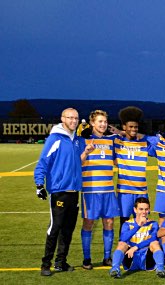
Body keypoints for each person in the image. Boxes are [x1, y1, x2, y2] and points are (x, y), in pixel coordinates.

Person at [35, 108, 89, 276]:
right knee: (55, 227)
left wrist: (86, 151)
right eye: (70, 118)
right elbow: (43, 162)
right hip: (59, 191)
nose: (73, 120)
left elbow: (77, 162)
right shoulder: (55, 139)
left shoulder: (79, 141)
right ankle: (46, 264)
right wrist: (39, 185)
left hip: (75, 191)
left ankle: (61, 262)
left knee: (68, 229)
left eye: (76, 118)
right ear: (62, 118)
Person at [79, 110, 119, 270]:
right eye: (99, 121)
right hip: (90, 190)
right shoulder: (84, 140)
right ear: (92, 123)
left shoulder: (112, 141)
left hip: (108, 189)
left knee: (109, 222)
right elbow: (77, 162)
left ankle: (107, 257)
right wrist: (85, 152)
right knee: (88, 223)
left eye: (104, 121)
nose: (103, 124)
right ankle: (87, 259)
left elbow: (116, 160)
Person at [113, 106, 154, 227]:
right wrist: (120, 134)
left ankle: (141, 246)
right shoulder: (117, 142)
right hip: (124, 191)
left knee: (142, 223)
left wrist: (142, 135)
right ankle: (123, 246)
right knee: (124, 223)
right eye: (130, 127)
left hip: (141, 191)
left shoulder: (144, 143)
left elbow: (157, 141)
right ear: (124, 127)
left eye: (135, 127)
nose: (133, 129)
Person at [109, 197, 165, 278]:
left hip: (147, 258)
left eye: (146, 209)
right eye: (141, 209)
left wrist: (136, 247)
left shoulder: (153, 224)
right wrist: (138, 225)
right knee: (122, 244)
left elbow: (153, 239)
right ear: (135, 210)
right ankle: (115, 269)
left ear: (149, 210)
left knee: (155, 243)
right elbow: (123, 238)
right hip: (130, 257)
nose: (144, 212)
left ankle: (160, 269)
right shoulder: (127, 224)